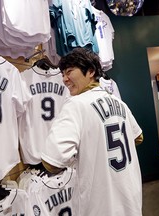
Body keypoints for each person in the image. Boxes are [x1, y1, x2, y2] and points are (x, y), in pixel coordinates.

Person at [41, 47, 143, 216]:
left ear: (90, 71)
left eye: (69, 72)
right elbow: (138, 137)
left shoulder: (75, 105)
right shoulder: (118, 102)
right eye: (62, 74)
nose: (65, 79)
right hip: (130, 199)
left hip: (101, 206)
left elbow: (51, 162)